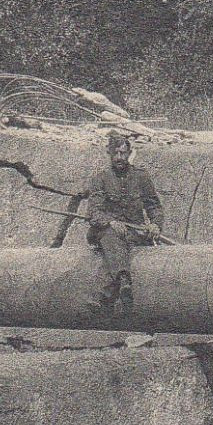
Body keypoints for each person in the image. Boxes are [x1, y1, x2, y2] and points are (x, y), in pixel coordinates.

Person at [85, 132, 164, 314]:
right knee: (112, 238)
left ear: (129, 153)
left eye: (123, 153)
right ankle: (123, 280)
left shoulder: (141, 177)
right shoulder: (100, 179)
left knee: (124, 242)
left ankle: (107, 294)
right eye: (116, 153)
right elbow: (93, 213)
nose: (120, 157)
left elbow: (154, 206)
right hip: (105, 231)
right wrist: (111, 222)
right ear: (109, 154)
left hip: (134, 232)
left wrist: (155, 225)